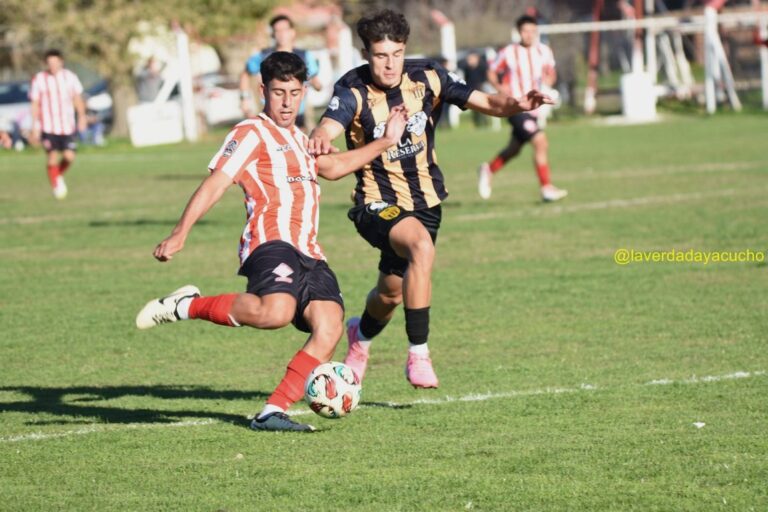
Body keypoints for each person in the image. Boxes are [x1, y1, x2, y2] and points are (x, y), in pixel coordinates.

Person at [135, 52, 407, 432]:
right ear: (263, 90)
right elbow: (216, 183)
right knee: (276, 312)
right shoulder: (250, 133)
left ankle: (272, 411)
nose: (286, 102)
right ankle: (187, 305)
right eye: (279, 93)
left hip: (310, 251)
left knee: (330, 327)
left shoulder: (302, 139)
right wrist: (180, 232)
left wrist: (385, 141)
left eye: (294, 93)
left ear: (303, 92)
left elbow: (333, 167)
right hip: (270, 241)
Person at [307, 9, 553, 389]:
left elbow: (488, 103)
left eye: (397, 54)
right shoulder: (352, 89)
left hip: (426, 202)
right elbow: (327, 128)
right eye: (380, 56)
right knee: (420, 247)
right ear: (366, 54)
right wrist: (321, 137)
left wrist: (518, 104)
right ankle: (418, 354)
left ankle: (361, 336)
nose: (390, 64)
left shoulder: (428, 76)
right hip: (375, 202)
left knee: (390, 294)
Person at [477, 15, 567, 202]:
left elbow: (551, 73)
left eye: (533, 31)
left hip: (535, 109)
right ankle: (546, 188)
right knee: (540, 142)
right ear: (519, 32)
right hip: (516, 106)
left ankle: (488, 169)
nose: (529, 35)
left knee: (514, 149)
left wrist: (549, 81)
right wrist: (500, 88)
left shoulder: (544, 51)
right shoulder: (509, 52)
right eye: (526, 31)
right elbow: (491, 71)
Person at [239, 15, 322, 130]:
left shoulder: (304, 55)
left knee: (302, 139)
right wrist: (244, 98)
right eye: (278, 31)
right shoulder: (263, 56)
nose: (282, 34)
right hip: (271, 113)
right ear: (273, 34)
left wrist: (317, 85)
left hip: (298, 111)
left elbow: (315, 80)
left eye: (285, 30)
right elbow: (245, 74)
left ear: (292, 32)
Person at [29, 49, 87, 199]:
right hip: (48, 126)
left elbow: (77, 99)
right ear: (46, 63)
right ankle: (56, 185)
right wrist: (34, 126)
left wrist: (82, 117)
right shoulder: (39, 79)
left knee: (69, 156)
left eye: (55, 62)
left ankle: (57, 175)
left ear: (61, 62)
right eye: (50, 63)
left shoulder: (70, 77)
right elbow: (35, 103)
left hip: (67, 126)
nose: (53, 65)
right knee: (52, 157)